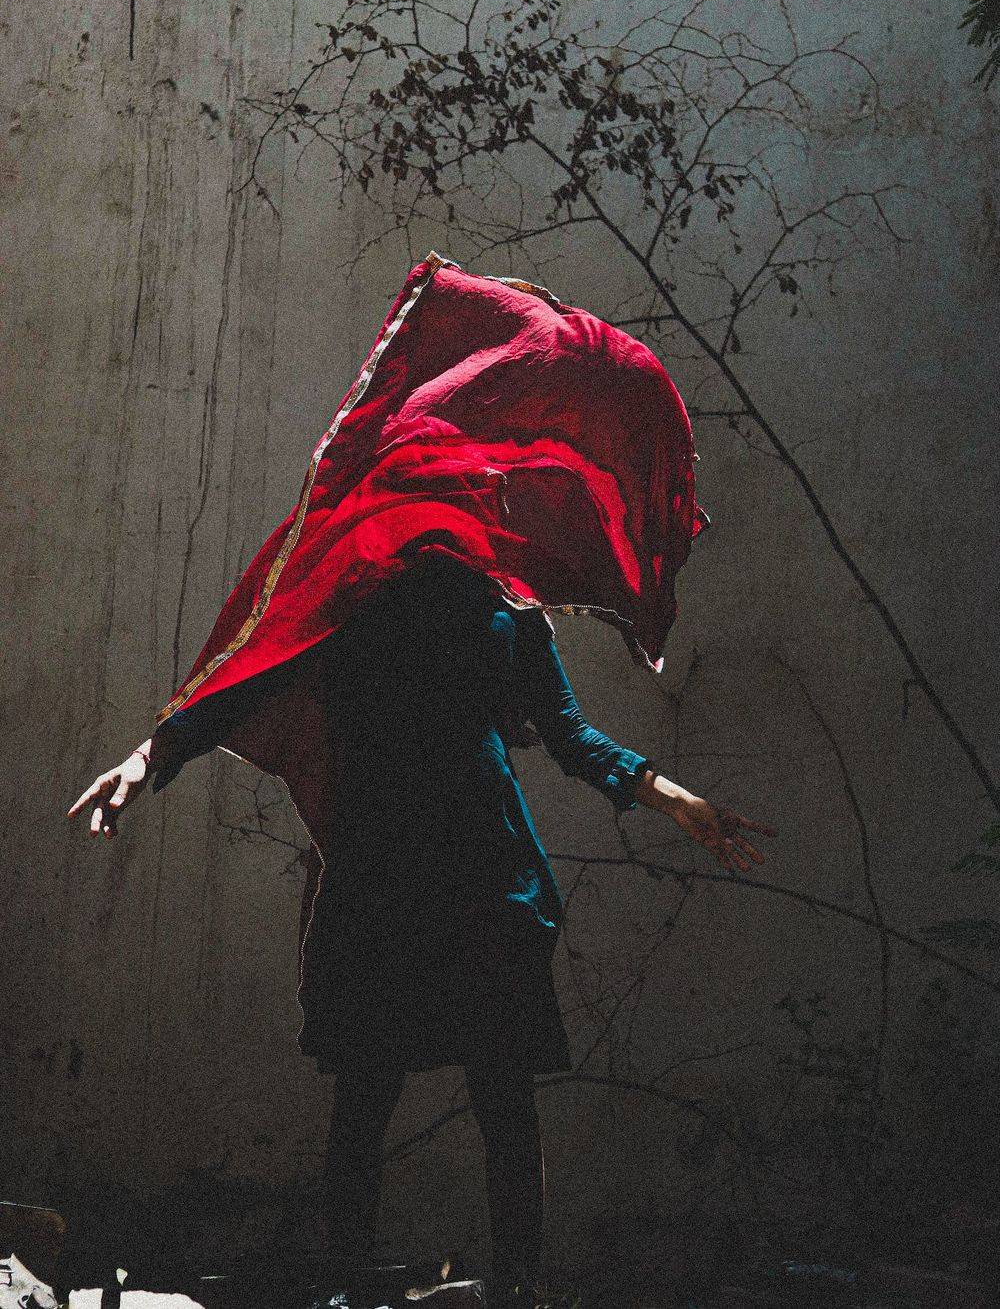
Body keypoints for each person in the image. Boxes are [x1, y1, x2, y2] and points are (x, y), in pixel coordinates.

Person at [65, 253, 775, 1305]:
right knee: (365, 1098)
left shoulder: (504, 611)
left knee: (501, 1102)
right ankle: (350, 1285)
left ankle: (518, 1290)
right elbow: (243, 675)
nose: (455, 495)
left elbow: (571, 737)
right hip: (384, 880)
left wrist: (671, 797)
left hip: (487, 881)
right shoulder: (345, 598)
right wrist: (147, 756)